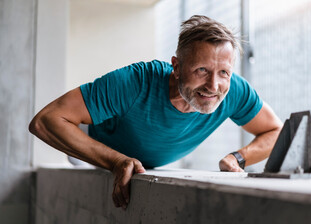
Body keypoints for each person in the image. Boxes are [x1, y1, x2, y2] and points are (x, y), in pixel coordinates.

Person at [29, 15, 283, 210]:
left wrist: (238, 158)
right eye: (201, 70)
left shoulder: (235, 91)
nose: (213, 86)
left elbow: (277, 131)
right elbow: (46, 120)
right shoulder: (135, 81)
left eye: (224, 73)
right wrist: (115, 161)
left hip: (148, 160)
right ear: (176, 66)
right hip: (90, 146)